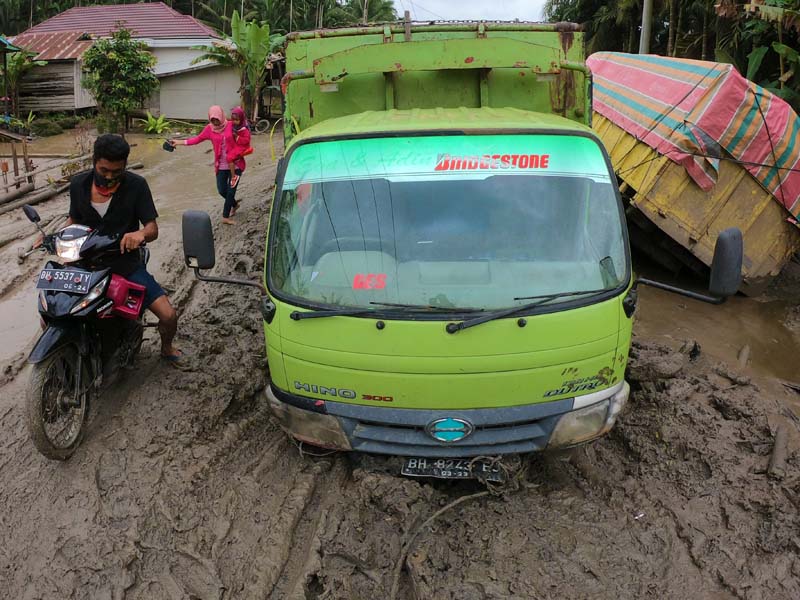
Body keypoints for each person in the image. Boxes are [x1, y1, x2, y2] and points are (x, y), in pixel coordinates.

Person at [67, 134, 181, 362]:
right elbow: (73, 221)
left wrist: (139, 234)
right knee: (53, 311)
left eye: (116, 172)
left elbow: (152, 228)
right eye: (104, 170)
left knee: (168, 316)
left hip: (124, 263)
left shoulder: (137, 186)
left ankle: (167, 347)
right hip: (85, 263)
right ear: (94, 161)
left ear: (125, 165)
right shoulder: (78, 184)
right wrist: (55, 237)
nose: (109, 177)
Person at [170, 106, 249, 225]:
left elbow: (244, 132)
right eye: (213, 120)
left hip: (236, 165)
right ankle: (234, 204)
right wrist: (179, 142)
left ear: (222, 117)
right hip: (221, 166)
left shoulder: (231, 125)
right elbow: (196, 140)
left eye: (217, 119)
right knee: (222, 190)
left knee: (231, 190)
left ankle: (225, 217)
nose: (215, 122)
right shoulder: (209, 129)